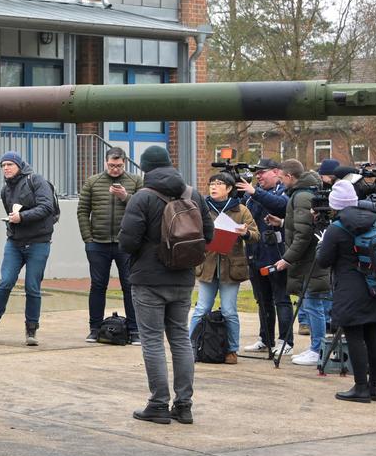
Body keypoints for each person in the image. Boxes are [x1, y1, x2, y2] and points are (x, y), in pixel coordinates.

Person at [118, 144, 213, 424]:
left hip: (148, 280)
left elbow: (127, 242)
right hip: (183, 277)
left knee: (152, 341)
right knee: (181, 339)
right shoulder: (192, 194)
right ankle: (184, 406)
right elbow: (208, 234)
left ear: (145, 168)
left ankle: (158, 404)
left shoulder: (141, 197)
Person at [316, 178, 376, 401]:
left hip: (349, 289)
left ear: (335, 205)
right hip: (375, 284)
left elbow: (324, 260)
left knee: (355, 336)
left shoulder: (336, 228)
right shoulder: (373, 221)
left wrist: (322, 244)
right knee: (373, 336)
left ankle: (360, 387)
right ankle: (375, 387)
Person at [0, 151, 58, 346]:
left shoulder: (37, 181)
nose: (6, 168)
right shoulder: (4, 189)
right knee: (5, 282)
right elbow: (11, 214)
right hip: (15, 243)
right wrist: (13, 220)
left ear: (19, 165)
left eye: (9, 164)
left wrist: (22, 217)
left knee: (32, 287)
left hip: (38, 242)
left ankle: (31, 330)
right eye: (3, 165)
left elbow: (47, 207)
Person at [189, 170, 259, 363]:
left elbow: (255, 235)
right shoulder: (201, 207)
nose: (214, 187)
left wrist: (244, 233)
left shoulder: (241, 209)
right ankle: (190, 346)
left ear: (229, 189)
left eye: (219, 184)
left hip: (231, 267)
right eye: (212, 183)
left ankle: (231, 350)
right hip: (208, 265)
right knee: (201, 308)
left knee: (229, 310)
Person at [77, 147, 143, 343]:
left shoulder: (135, 181)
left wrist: (125, 197)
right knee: (98, 286)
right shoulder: (93, 181)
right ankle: (95, 328)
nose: (115, 169)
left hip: (126, 244)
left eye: (119, 166)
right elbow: (82, 211)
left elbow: (142, 208)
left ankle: (134, 329)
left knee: (129, 286)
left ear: (125, 163)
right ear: (106, 163)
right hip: (98, 242)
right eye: (112, 166)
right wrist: (87, 238)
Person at [280, 158, 335, 366]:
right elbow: (301, 224)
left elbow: (303, 235)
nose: (280, 181)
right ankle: (316, 347)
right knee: (313, 303)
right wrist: (284, 222)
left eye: (281, 177)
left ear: (289, 176)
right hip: (309, 258)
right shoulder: (303, 192)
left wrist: (287, 258)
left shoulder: (302, 195)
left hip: (309, 260)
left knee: (313, 304)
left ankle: (317, 348)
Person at [238, 160, 294, 357]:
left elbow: (281, 206)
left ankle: (285, 341)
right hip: (255, 253)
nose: (259, 176)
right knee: (262, 300)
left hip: (276, 254)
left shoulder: (283, 191)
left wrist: (255, 193)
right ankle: (265, 339)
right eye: (257, 173)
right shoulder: (252, 195)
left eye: (263, 173)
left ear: (277, 172)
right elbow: (246, 215)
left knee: (281, 298)